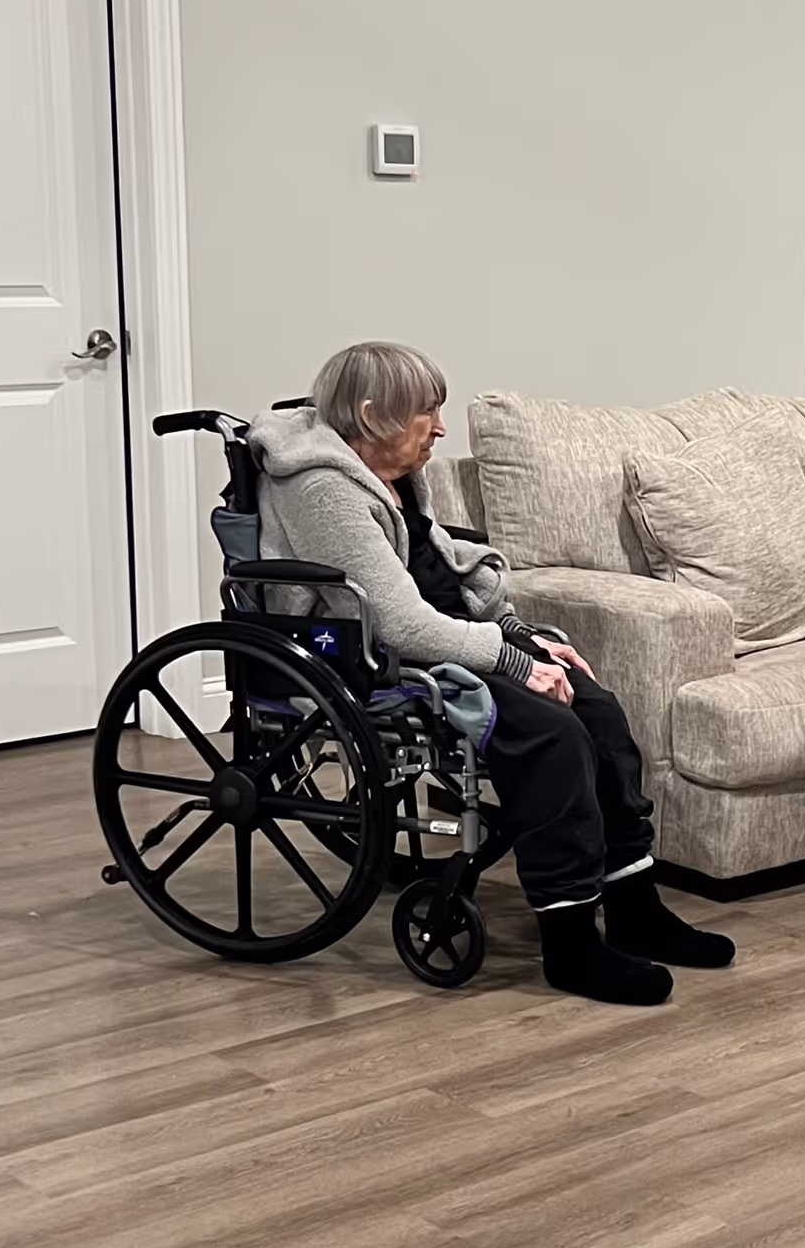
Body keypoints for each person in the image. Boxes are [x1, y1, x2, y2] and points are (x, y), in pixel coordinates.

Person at [251, 341, 734, 1005]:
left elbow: (439, 573)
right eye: (427, 412)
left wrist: (522, 636)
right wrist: (512, 661)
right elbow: (401, 625)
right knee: (550, 735)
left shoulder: (390, 472)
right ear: (371, 414)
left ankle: (633, 905)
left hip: (452, 638)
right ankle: (569, 942)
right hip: (381, 656)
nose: (441, 429)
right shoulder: (321, 487)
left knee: (599, 710)